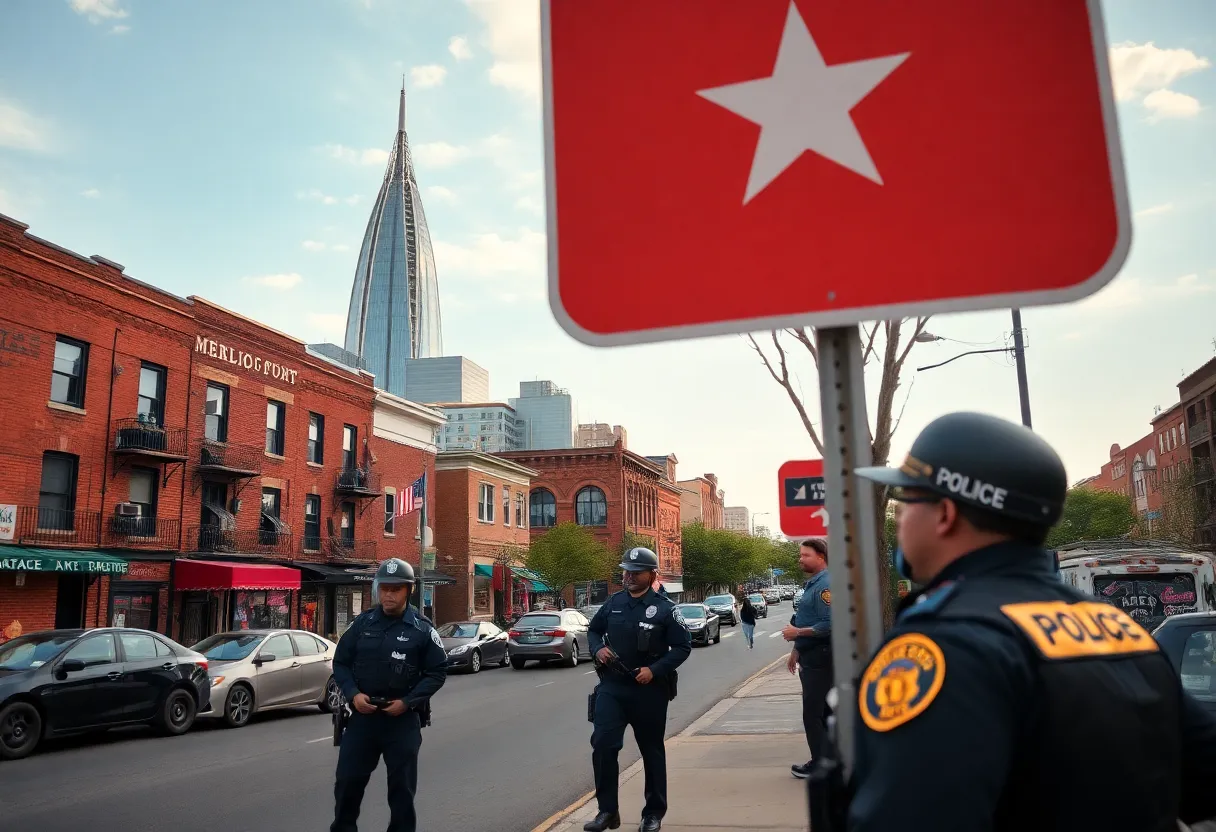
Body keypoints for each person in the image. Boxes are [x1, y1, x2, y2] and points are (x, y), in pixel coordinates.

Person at [844, 411, 1216, 830]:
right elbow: (1202, 779)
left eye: (904, 502)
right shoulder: (1121, 631)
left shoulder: (947, 647)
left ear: (945, 514)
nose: (899, 520)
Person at [331, 558, 448, 832]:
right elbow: (340, 663)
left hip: (401, 720)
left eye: (396, 589)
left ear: (409, 591)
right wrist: (352, 694)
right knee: (347, 783)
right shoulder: (362, 625)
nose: (389, 595)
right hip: (362, 718)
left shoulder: (422, 629)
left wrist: (408, 702)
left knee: (402, 792)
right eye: (384, 589)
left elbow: (438, 671)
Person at [585, 547, 692, 832]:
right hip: (612, 687)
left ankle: (653, 813)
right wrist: (598, 649)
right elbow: (593, 631)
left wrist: (654, 670)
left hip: (649, 690)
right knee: (603, 745)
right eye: (626, 571)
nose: (629, 576)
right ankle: (607, 811)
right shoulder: (613, 603)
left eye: (636, 572)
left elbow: (683, 647)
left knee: (651, 750)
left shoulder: (667, 608)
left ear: (652, 574)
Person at [782, 538, 832, 779]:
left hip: (822, 658)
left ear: (821, 557)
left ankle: (820, 765)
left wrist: (797, 633)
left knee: (813, 714)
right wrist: (796, 651)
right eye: (800, 555)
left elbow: (830, 623)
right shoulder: (814, 584)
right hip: (811, 655)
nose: (800, 559)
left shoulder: (825, 585)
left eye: (805, 555)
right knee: (822, 712)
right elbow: (807, 618)